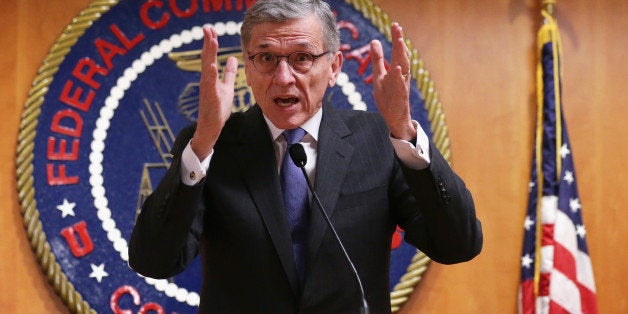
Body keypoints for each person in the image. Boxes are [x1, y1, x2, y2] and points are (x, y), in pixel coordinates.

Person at [129, 0, 482, 313]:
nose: (283, 78)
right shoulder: (210, 144)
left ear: (333, 67)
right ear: (248, 69)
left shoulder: (378, 140)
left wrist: (404, 131)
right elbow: (154, 261)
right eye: (266, 58)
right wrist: (203, 143)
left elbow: (458, 244)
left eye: (302, 58)